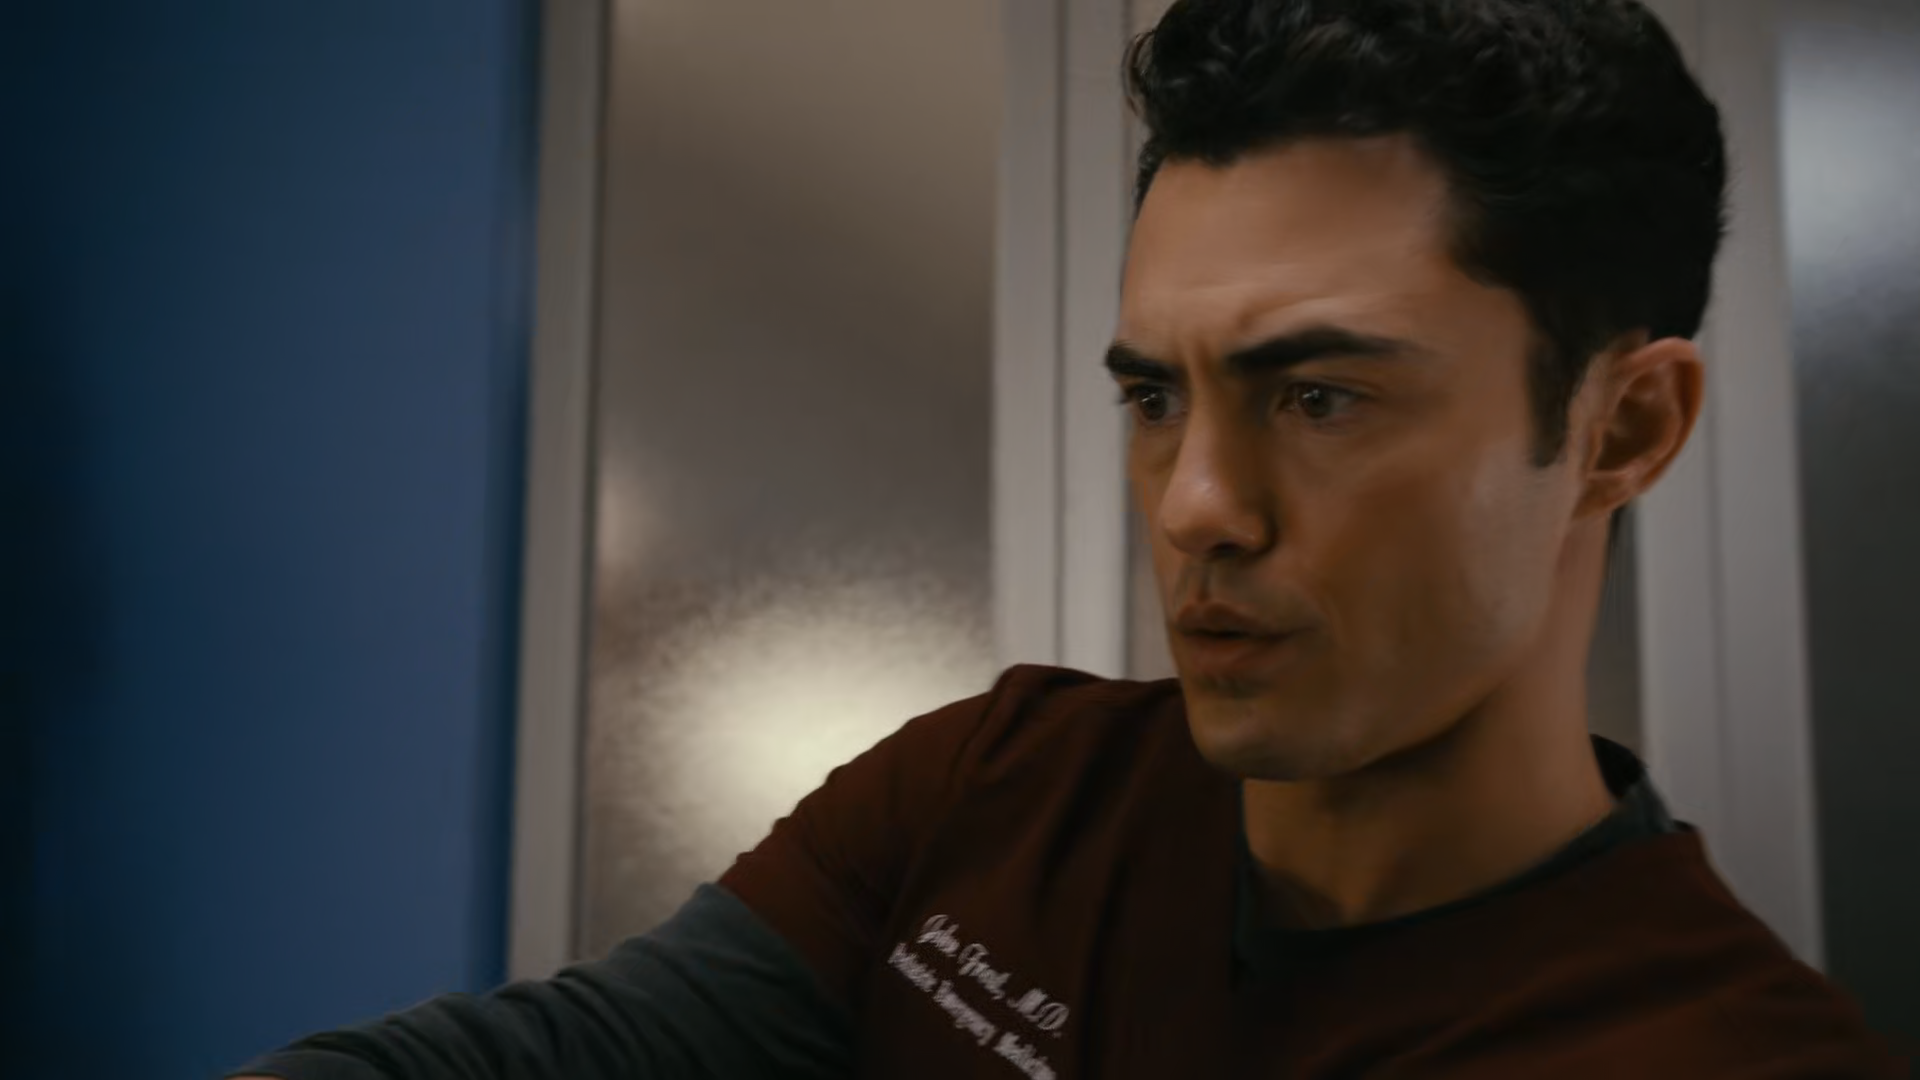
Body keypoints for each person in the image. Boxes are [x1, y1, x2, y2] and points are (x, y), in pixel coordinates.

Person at [232, 0, 1905, 1076]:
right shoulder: (1000, 788)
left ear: (1621, 430)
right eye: (1156, 397)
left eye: (1321, 397)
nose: (1194, 506)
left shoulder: (1726, 1050)